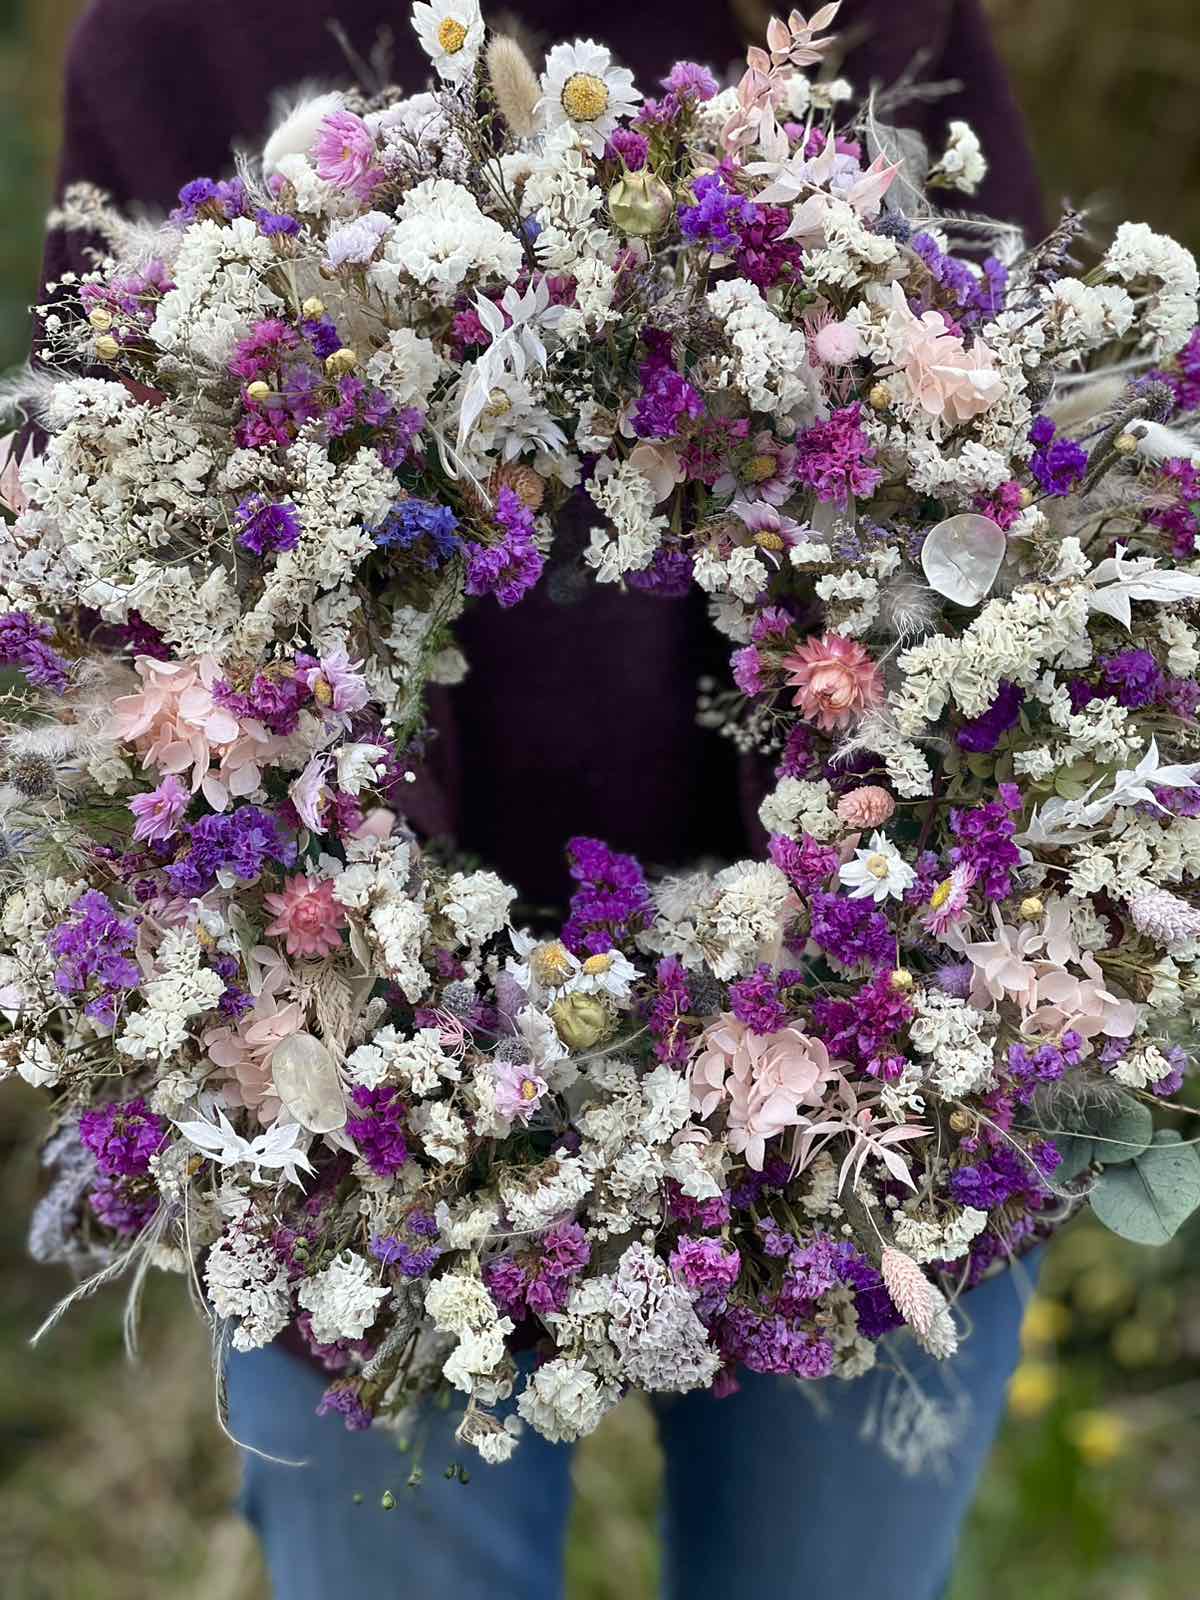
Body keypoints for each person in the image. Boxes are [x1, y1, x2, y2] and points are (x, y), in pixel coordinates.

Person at [38, 3, 1045, 1595]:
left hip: (881, 1074)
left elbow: (1019, 459)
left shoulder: (857, 19)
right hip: (354, 1120)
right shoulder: (186, 34)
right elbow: (105, 588)